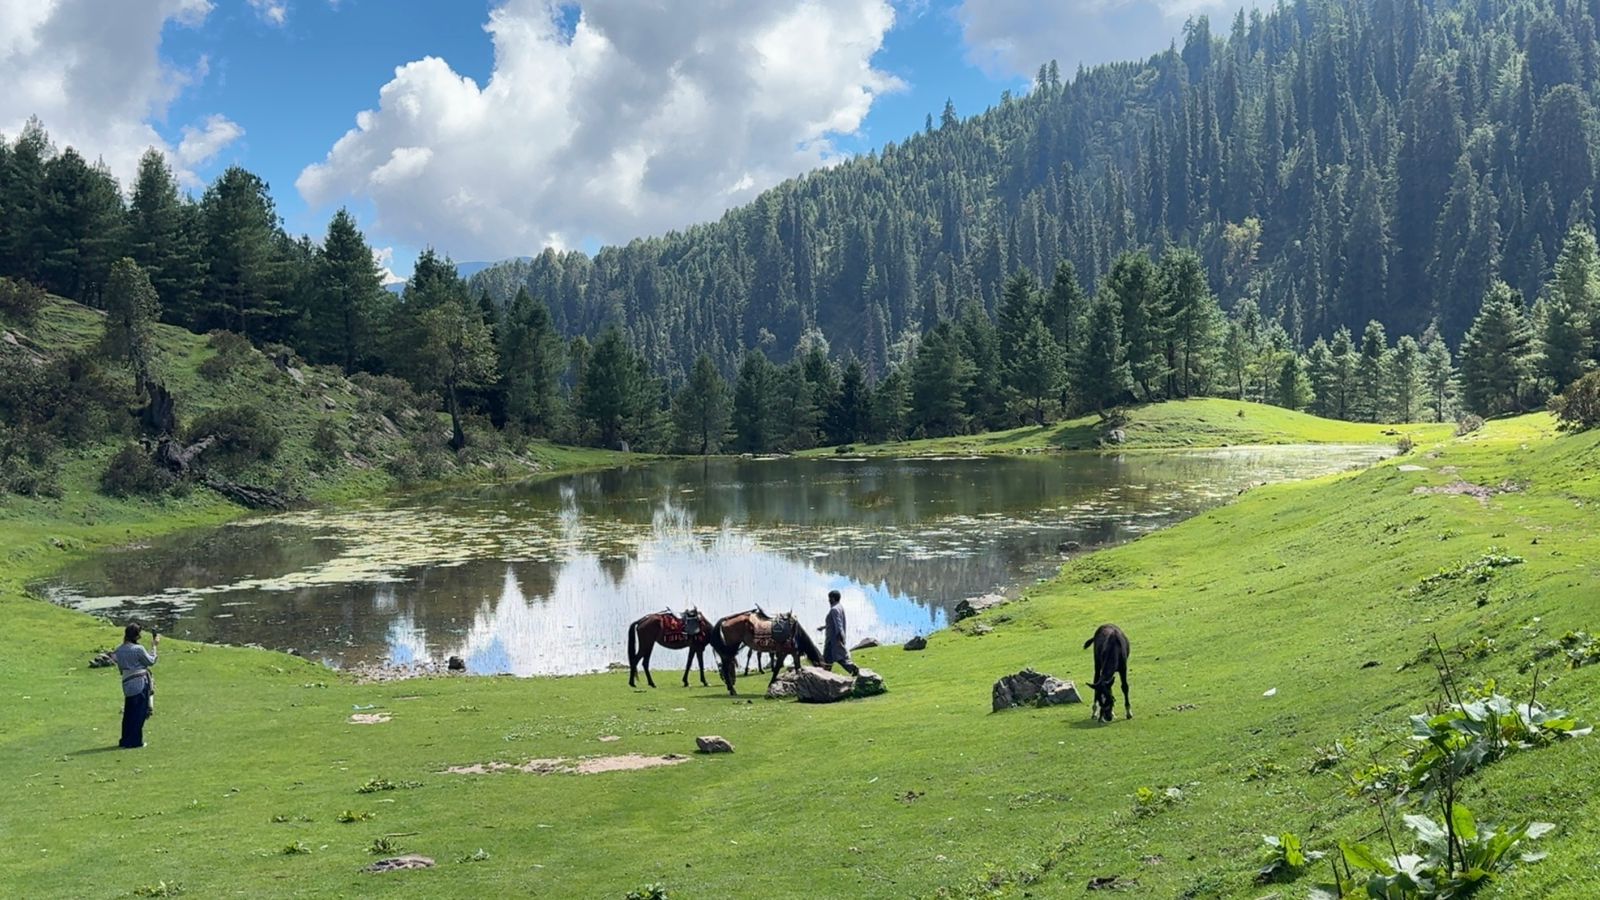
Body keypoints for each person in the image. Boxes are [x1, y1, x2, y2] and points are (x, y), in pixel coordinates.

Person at [115, 622, 158, 749]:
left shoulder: (119, 650)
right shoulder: (138, 649)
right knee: (139, 713)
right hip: (139, 682)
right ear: (137, 635)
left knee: (129, 713)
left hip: (127, 682)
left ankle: (125, 739)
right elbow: (150, 661)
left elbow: (121, 668)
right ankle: (135, 741)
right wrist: (154, 647)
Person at [821, 590, 859, 676]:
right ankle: (826, 675)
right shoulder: (839, 607)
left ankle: (853, 668)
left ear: (833, 599)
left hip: (833, 640)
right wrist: (823, 627)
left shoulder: (834, 609)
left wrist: (840, 637)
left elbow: (838, 624)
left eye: (829, 598)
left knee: (839, 658)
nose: (828, 600)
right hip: (834, 639)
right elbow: (834, 623)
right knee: (829, 658)